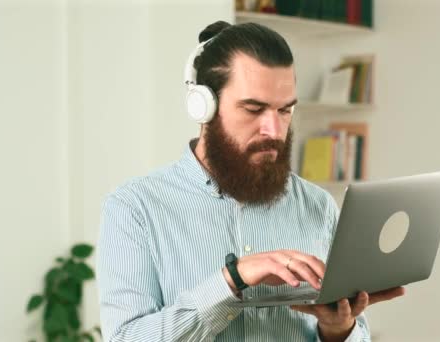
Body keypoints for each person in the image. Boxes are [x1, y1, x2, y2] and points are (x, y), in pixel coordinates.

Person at [97, 20, 404, 342]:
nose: (274, 130)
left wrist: (338, 329)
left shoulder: (318, 206)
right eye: (254, 109)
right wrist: (232, 280)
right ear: (203, 106)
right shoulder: (135, 209)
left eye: (285, 110)